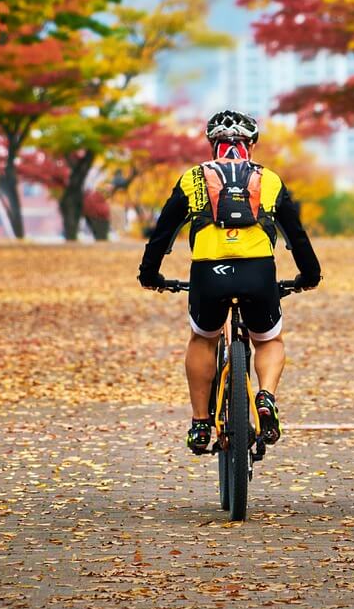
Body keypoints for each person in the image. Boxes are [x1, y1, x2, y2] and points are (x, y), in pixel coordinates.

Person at [138, 110, 322, 454]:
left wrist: (150, 274)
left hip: (209, 272)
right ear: (251, 144)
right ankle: (265, 396)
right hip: (258, 271)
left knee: (203, 338)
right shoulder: (270, 179)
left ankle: (200, 423)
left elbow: (162, 234)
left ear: (213, 145)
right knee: (269, 340)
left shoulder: (193, 178)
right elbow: (296, 235)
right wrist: (309, 275)